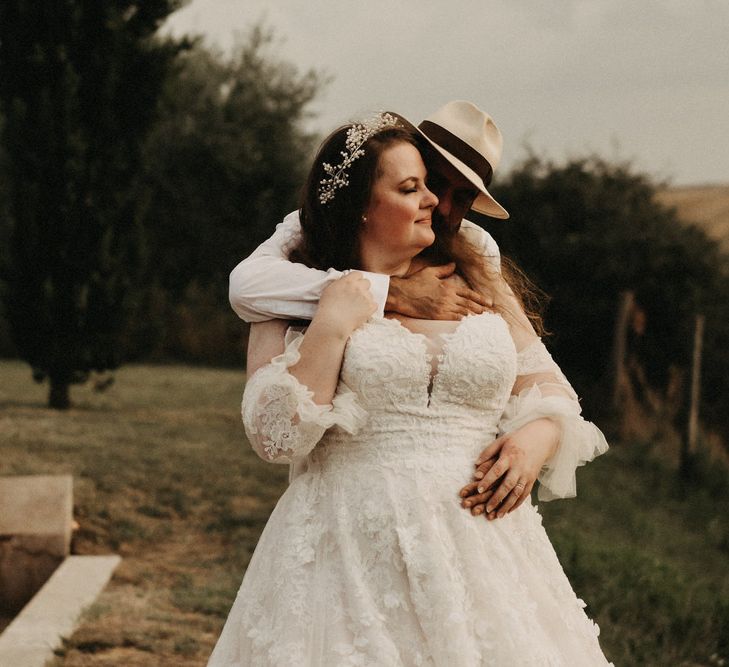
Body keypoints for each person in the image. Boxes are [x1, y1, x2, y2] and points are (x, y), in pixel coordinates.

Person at [208, 108, 612, 665]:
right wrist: (347, 311)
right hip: (349, 544)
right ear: (361, 205)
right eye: (420, 185)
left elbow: (548, 382)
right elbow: (277, 437)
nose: (439, 205)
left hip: (483, 547)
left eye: (458, 196)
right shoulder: (294, 277)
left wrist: (533, 439)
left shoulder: (475, 265)